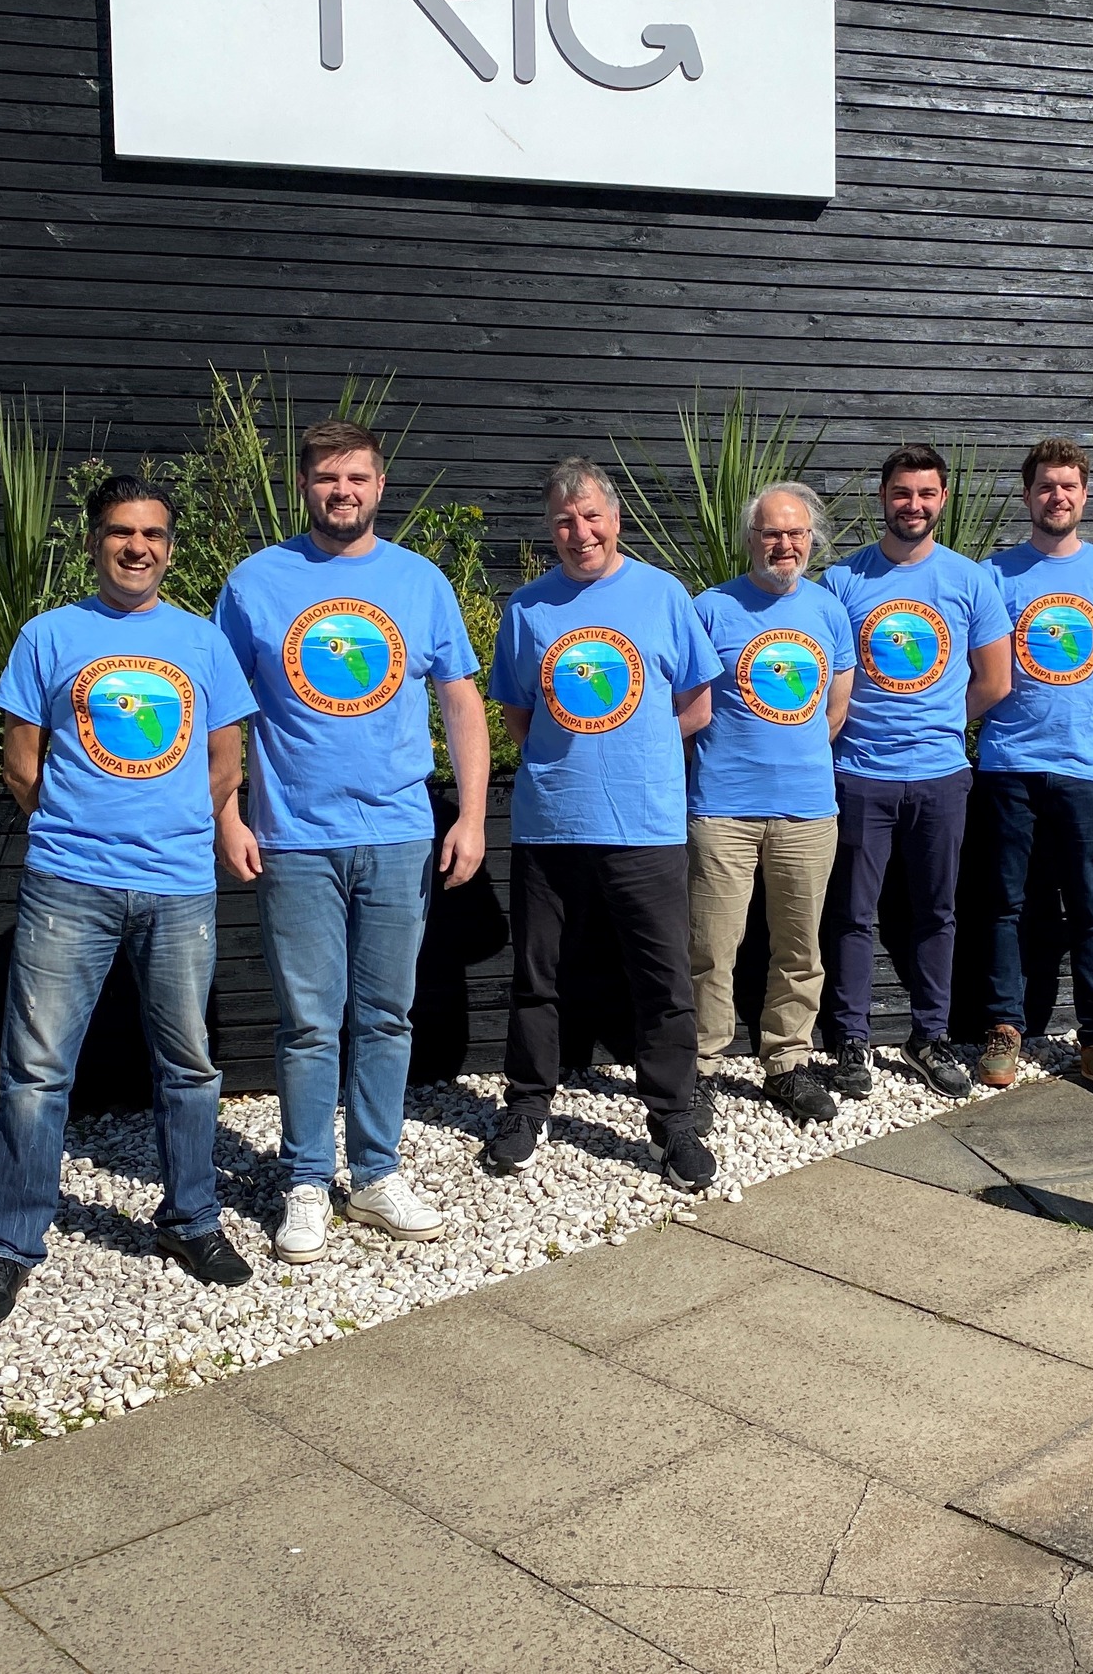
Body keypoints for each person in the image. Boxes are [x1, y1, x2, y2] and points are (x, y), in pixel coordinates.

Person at [0, 475, 260, 1329]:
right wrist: (79, 829)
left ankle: (192, 1220)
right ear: (94, 542)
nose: (138, 547)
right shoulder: (49, 636)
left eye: (154, 534)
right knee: (37, 1075)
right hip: (68, 882)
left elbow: (225, 762)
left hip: (179, 886)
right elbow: (22, 762)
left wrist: (169, 829)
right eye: (122, 532)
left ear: (169, 546)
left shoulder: (201, 642)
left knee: (190, 1067)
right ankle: (8, 1247)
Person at [215, 419, 489, 1265]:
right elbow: (220, 708)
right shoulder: (256, 583)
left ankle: (374, 1173)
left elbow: (462, 701)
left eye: (358, 478)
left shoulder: (419, 581)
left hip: (401, 832)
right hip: (293, 837)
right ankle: (304, 1180)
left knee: (384, 1014)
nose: (344, 491)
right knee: (306, 1021)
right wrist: (227, 814)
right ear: (306, 486)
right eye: (329, 478)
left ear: (380, 485)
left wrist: (471, 817)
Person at [483, 456, 723, 1190]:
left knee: (662, 978)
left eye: (591, 517)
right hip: (551, 824)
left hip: (646, 824)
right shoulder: (528, 609)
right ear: (550, 528)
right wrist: (571, 762)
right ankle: (527, 1105)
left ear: (615, 520)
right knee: (536, 977)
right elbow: (519, 715)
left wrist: (637, 750)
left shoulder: (662, 595)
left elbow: (697, 704)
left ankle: (673, 1118)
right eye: (563, 520)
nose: (578, 532)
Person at [818, 444, 1012, 1100]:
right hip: (858, 773)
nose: (914, 505)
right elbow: (822, 680)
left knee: (937, 911)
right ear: (883, 497)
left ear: (943, 500)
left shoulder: (970, 581)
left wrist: (936, 720)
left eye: (926, 494)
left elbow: (995, 679)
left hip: (941, 775)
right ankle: (849, 1039)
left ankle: (930, 1036)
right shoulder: (843, 582)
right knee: (850, 912)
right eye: (903, 493)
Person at [975, 437, 1093, 1097]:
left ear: (1085, 495)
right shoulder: (995, 574)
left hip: (1085, 767)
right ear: (1028, 496)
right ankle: (1004, 1026)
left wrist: (1089, 722)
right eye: (1046, 486)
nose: (1058, 496)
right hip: (1007, 763)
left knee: (1091, 907)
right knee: (1004, 902)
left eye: (1069, 486)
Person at [686, 482, 855, 1125]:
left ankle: (786, 1062)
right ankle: (702, 1065)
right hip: (723, 808)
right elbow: (691, 705)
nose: (784, 545)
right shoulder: (712, 609)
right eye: (771, 533)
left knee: (799, 946)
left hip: (809, 809)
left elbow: (833, 713)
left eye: (796, 533)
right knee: (711, 945)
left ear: (811, 539)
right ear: (750, 538)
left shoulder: (828, 612)